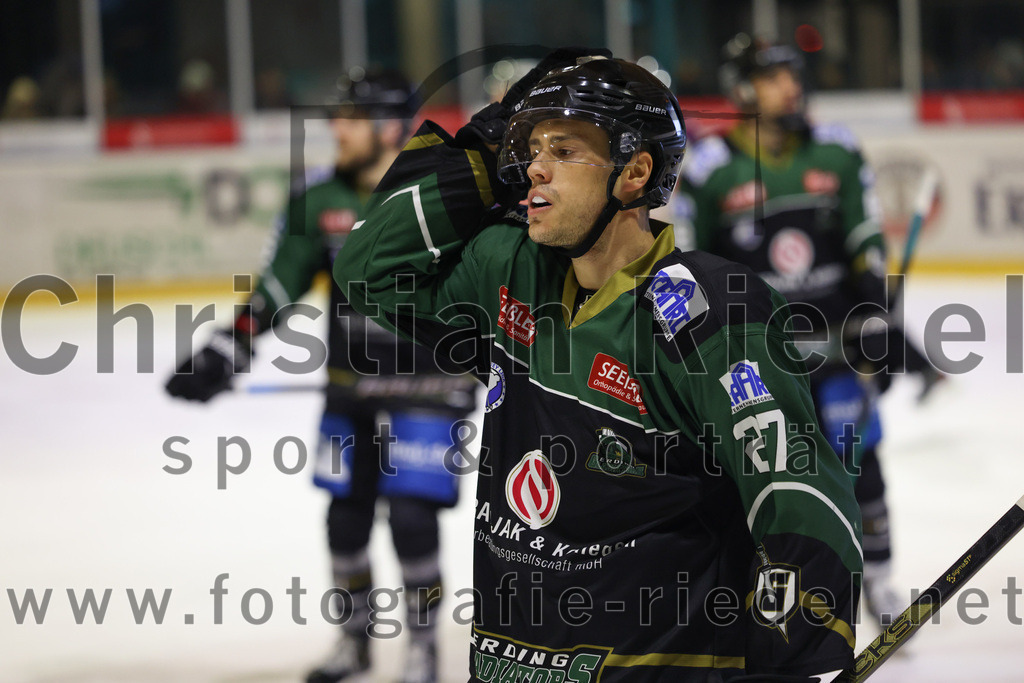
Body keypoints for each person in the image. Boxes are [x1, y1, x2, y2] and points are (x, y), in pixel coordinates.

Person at [335, 49, 863, 681]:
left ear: (635, 171)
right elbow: (368, 269)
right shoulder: (509, 271)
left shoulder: (710, 311)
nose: (533, 169)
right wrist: (480, 147)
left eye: (564, 151)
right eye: (529, 149)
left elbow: (795, 491)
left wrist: (791, 650)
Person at [165, 69, 477, 683]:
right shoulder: (318, 201)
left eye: (353, 119)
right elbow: (276, 290)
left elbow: (482, 287)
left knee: (412, 519)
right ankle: (354, 645)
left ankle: (422, 650)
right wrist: (224, 353)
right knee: (344, 520)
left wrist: (477, 361)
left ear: (391, 128)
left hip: (428, 393)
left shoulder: (442, 198)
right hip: (349, 392)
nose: (338, 129)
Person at [673, 33, 905, 628]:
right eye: (775, 77)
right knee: (764, 475)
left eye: (794, 75)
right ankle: (777, 590)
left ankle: (876, 578)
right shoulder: (709, 169)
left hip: (834, 348)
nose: (791, 87)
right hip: (758, 359)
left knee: (860, 460)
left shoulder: (835, 151)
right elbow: (690, 264)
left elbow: (864, 240)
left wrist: (875, 312)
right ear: (742, 89)